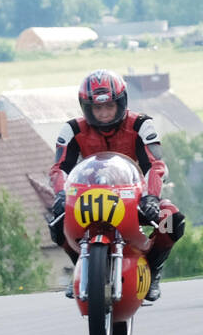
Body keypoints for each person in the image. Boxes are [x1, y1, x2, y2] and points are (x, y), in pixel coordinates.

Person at [48, 69, 184, 301]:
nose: (103, 114)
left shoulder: (141, 125)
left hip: (134, 198)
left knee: (171, 219)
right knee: (56, 222)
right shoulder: (72, 129)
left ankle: (153, 270)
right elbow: (60, 168)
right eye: (97, 108)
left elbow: (155, 165)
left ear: (121, 103)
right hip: (88, 198)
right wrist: (61, 194)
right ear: (86, 107)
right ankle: (80, 266)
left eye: (109, 107)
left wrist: (151, 197)